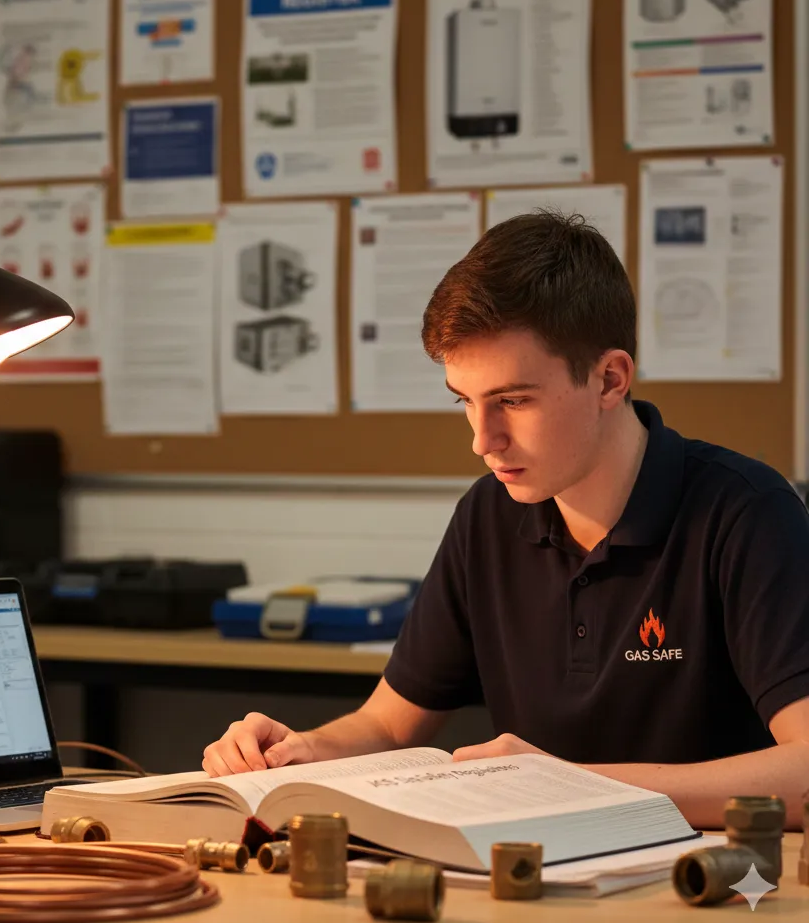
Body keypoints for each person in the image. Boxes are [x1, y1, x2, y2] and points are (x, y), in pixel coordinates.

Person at [202, 211, 809, 829]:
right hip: (535, 880)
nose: (482, 440)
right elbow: (386, 724)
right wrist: (300, 751)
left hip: (721, 890)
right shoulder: (488, 514)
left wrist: (566, 786)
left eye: (513, 401)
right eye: (465, 401)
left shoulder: (747, 513)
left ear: (610, 379)